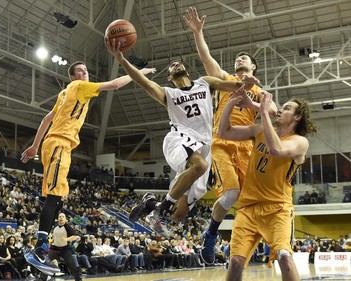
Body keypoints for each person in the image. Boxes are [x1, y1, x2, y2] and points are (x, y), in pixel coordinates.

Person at [105, 35, 258, 238]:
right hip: (180, 139)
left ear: (186, 69)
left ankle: (153, 204)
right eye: (171, 67)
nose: (175, 65)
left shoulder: (204, 83)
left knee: (180, 213)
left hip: (205, 145)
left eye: (178, 63)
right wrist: (122, 60)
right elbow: (140, 80)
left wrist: (247, 83)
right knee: (200, 166)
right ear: (170, 77)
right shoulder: (168, 93)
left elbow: (235, 87)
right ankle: (159, 212)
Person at [20, 60, 155, 274]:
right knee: (54, 197)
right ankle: (39, 250)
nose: (85, 73)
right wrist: (139, 73)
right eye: (80, 71)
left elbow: (47, 119)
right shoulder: (79, 87)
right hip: (59, 144)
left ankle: (42, 250)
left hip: (56, 145)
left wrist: (34, 147)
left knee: (58, 199)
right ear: (73, 77)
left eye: (86, 70)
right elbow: (115, 84)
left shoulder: (65, 93)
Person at [184, 6, 278, 264]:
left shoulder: (259, 89)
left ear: (253, 66)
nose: (240, 60)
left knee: (253, 198)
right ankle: (211, 235)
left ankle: (258, 238)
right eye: (238, 59)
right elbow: (206, 59)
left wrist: (255, 104)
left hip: (247, 145)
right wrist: (198, 33)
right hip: (222, 142)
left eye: (245, 58)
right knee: (231, 195)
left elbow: (274, 112)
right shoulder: (225, 79)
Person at [218, 89, 317, 281]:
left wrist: (263, 111)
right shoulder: (260, 130)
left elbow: (276, 149)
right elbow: (224, 132)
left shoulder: (299, 142)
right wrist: (231, 102)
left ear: (297, 117)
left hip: (277, 209)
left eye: (287, 108)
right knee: (236, 262)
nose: (280, 110)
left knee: (285, 259)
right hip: (248, 208)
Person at [47, 213, 81, 281]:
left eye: (63, 217)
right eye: (60, 216)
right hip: (55, 248)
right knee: (47, 261)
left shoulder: (67, 227)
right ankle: (43, 278)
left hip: (65, 248)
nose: (61, 218)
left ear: (65, 219)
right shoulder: (55, 225)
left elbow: (75, 237)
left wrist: (66, 239)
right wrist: (52, 240)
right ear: (58, 218)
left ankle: (78, 279)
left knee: (70, 264)